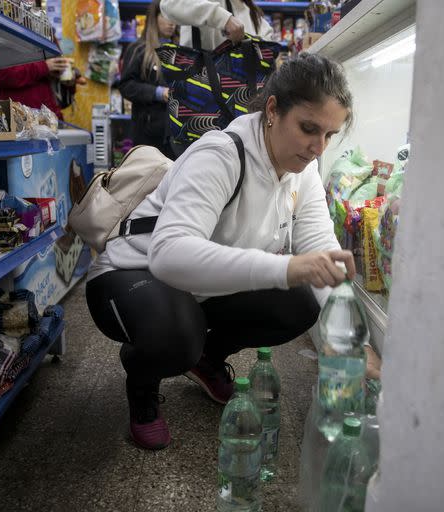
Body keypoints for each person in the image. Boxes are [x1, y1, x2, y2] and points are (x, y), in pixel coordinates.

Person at [84, 53, 379, 451]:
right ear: (273, 110)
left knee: (300, 304)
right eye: (309, 128)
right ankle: (142, 381)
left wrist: (351, 341)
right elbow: (169, 255)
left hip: (195, 286)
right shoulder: (222, 154)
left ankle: (205, 359)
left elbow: (319, 247)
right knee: (176, 333)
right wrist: (286, 267)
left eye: (330, 135)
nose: (317, 148)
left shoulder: (303, 169)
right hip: (130, 274)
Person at [116, 0, 177, 157]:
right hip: (148, 134)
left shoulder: (182, 51)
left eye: (174, 17)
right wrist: (158, 92)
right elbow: (126, 86)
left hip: (176, 134)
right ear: (154, 18)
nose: (172, 23)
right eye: (166, 16)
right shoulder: (138, 50)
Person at [0, 57, 86, 120]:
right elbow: (2, 75)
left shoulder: (49, 33)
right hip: (18, 121)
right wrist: (43, 67)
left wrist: (65, 82)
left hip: (48, 119)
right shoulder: (7, 33)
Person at [160, 0, 273, 49]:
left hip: (242, 93)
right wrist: (222, 18)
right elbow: (168, 4)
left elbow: (268, 42)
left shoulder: (252, 11)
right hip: (203, 87)